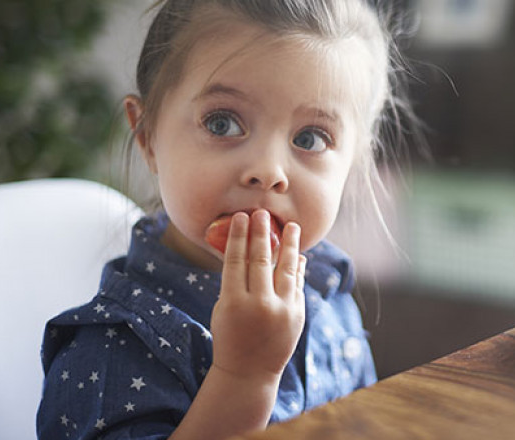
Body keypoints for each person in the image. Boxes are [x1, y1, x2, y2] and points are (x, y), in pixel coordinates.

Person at [37, 1, 420, 438]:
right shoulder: (111, 352)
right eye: (222, 123)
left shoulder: (328, 292)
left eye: (310, 138)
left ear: (353, 162)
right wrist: (244, 378)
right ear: (147, 136)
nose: (268, 171)